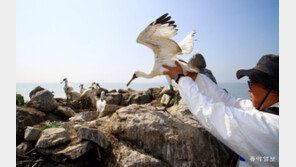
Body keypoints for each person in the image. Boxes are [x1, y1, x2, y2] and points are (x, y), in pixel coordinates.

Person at [163, 54, 279, 167]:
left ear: (275, 90)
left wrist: (180, 79)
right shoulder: (268, 110)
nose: (248, 88)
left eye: (252, 83)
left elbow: (215, 115)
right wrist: (194, 77)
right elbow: (228, 101)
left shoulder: (272, 126)